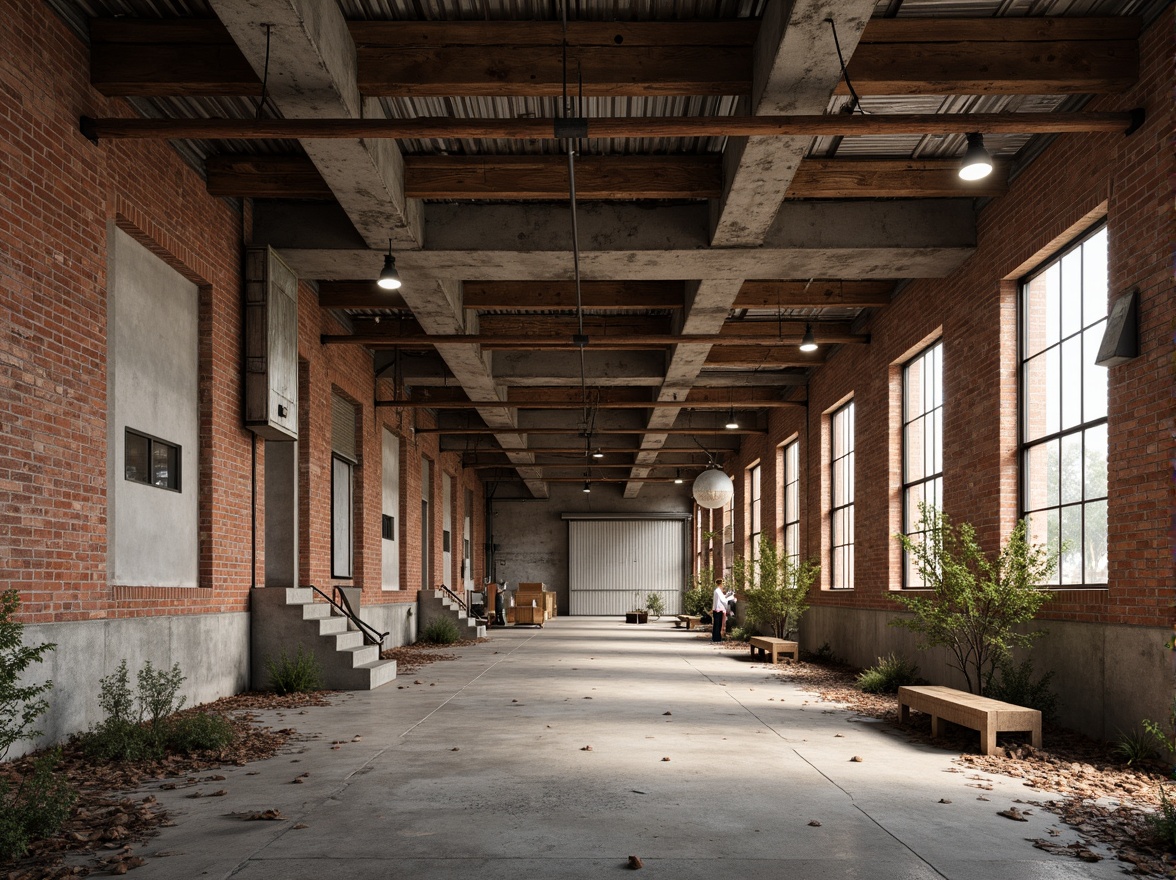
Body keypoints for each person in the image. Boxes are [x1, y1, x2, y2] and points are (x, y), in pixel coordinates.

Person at [711, 578, 734, 643]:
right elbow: (723, 600)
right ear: (720, 583)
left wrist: (727, 595)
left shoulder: (717, 591)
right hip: (719, 609)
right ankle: (717, 638)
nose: (723, 585)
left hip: (716, 609)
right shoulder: (718, 591)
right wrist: (731, 597)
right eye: (723, 583)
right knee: (718, 624)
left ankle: (715, 637)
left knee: (716, 624)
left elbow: (722, 597)